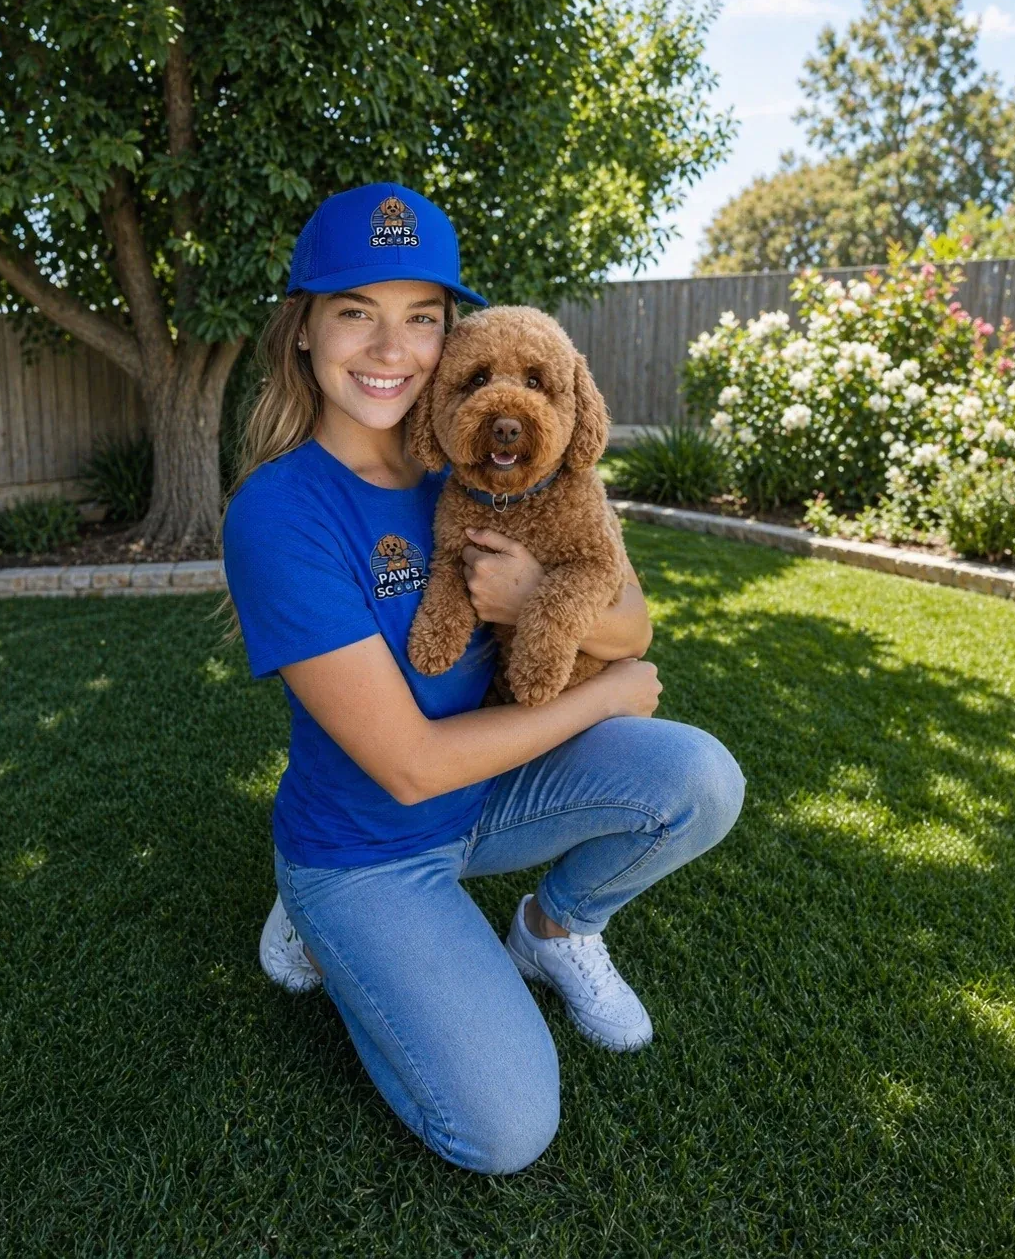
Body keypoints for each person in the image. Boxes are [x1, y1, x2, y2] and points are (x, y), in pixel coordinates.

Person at [219, 182, 745, 1175]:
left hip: (491, 792)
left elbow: (630, 620)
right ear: (302, 331)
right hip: (369, 841)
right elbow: (412, 766)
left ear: (451, 336)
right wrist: (600, 695)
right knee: (505, 1130)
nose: (390, 349)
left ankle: (553, 929)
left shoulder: (482, 458)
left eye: (420, 318)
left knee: (700, 777)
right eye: (354, 313)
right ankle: (324, 923)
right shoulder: (280, 514)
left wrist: (534, 595)